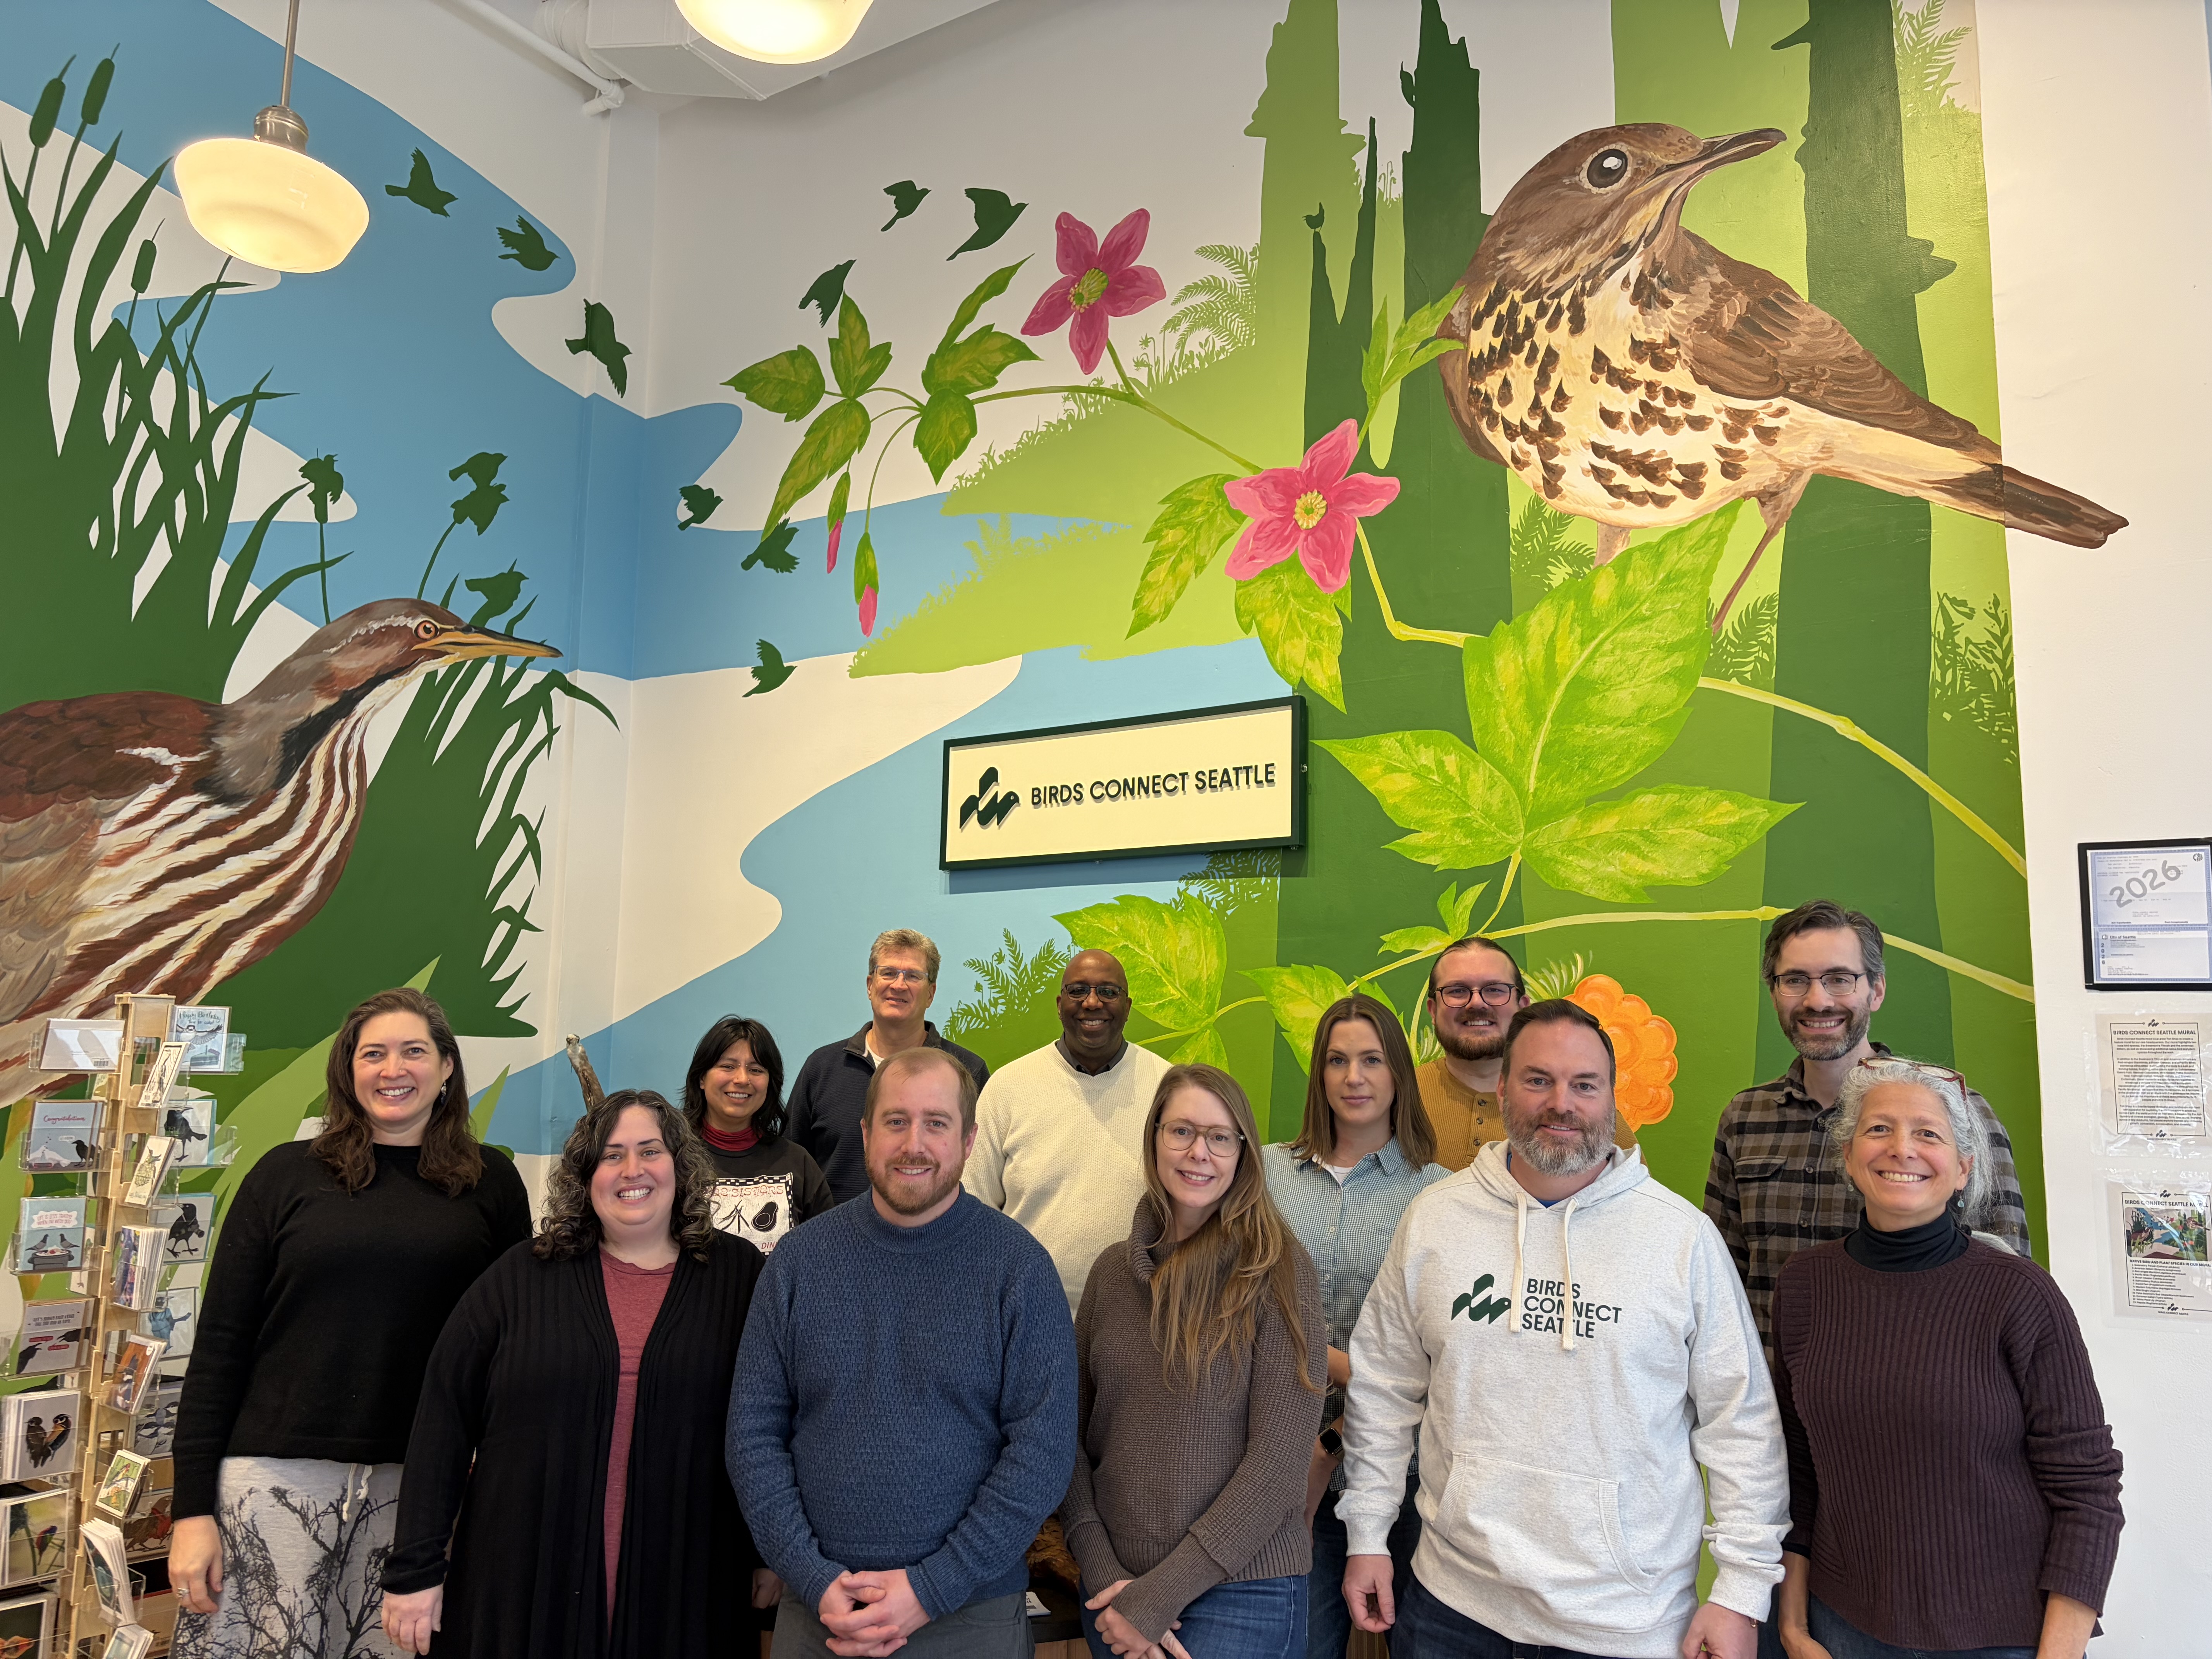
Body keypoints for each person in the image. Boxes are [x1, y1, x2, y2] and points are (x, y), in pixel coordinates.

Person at [1341, 1001, 1786, 1659]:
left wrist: (1740, 1591)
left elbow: (1739, 1420)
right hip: (1451, 1606)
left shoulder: (1681, 1238)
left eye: (1584, 1083)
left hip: (1626, 1621)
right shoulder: (1434, 1219)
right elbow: (1383, 1387)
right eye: (1537, 1079)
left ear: (1610, 1095)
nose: (1561, 1102)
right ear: (1501, 1088)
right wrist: (1368, 1534)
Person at [171, 988, 532, 1659]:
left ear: (447, 1066)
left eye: (414, 1050)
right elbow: (219, 1346)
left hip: (419, 1490)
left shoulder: (493, 1183)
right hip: (271, 1481)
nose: (393, 1068)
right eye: (373, 1053)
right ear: (348, 1069)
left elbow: (511, 1354)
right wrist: (191, 1510)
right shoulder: (283, 1174)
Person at [381, 1089, 767, 1658]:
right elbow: (442, 1419)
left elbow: (775, 1423)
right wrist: (416, 1566)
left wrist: (766, 1554)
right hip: (522, 1586)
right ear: (585, 1176)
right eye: (611, 1155)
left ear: (679, 1166)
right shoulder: (521, 1278)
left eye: (649, 1151)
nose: (631, 1170)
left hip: (688, 1587)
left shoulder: (742, 1279)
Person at [729, 1046, 1075, 1658]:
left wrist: (931, 1589)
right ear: (866, 1133)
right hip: (821, 1615)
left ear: (969, 1140)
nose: (914, 1143)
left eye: (936, 1124)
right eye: (896, 1121)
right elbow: (753, 1437)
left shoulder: (1019, 1269)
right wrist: (813, 1578)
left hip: (969, 1615)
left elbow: (1043, 1453)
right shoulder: (798, 1263)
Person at [1772, 1057, 2122, 1659]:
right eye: (1878, 1129)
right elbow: (1798, 1469)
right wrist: (1793, 1624)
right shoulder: (1804, 1286)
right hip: (1842, 1627)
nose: (1901, 1149)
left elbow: (2087, 1490)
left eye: (1928, 1134)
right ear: (1850, 1155)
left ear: (1963, 1170)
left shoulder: (2020, 1295)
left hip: (2003, 1637)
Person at [1063, 1063, 1325, 1659]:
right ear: (1154, 1136)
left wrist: (1159, 1599)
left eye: (1219, 1137)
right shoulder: (1110, 1275)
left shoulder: (1280, 1272)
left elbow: (1279, 1468)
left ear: (1243, 1153)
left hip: (1242, 1595)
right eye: (1181, 1131)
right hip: (1114, 1593)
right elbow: (1068, 1440)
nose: (1198, 1152)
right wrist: (1103, 1572)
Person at [1705, 900, 2032, 1355]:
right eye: (1796, 980)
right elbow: (1719, 1282)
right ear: (1775, 991)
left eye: (1840, 979)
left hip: (1904, 1392)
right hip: (1771, 1405)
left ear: (1876, 990)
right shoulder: (1745, 1118)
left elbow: (2009, 1276)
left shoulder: (1954, 1112)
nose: (1818, 1000)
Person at [1262, 996, 1445, 1658]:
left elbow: (1442, 1346)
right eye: (1336, 1060)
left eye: (1371, 1059)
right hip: (1287, 1471)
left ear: (1399, 1070)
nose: (1353, 1076)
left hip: (1405, 1480)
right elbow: (1240, 1305)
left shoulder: (1439, 1193)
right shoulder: (1264, 1174)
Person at [964, 948, 1172, 1314]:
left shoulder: (1166, 1088)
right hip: (1026, 1314)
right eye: (1078, 991)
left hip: (1139, 1316)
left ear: (1128, 1006)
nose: (1092, 1003)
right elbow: (973, 1207)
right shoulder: (1008, 1087)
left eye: (1108, 992)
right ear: (1060, 1004)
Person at [787, 928, 990, 1206]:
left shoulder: (967, 1071)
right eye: (888, 973)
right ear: (870, 985)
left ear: (931, 994)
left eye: (914, 976)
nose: (899, 985)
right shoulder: (821, 1068)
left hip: (938, 1242)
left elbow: (983, 1173)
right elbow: (791, 1168)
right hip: (832, 1242)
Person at [1415, 935, 1637, 1171]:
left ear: (1522, 1006)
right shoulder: (1395, 1098)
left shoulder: (1592, 1119)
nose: (1477, 1003)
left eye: (1494, 990)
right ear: (1433, 1009)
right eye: (1457, 991)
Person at [685, 1015, 833, 1254]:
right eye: (728, 1066)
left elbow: (826, 1252)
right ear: (702, 1078)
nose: (742, 1079)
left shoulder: (798, 1163)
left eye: (755, 1070)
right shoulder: (672, 1159)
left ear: (770, 1083)